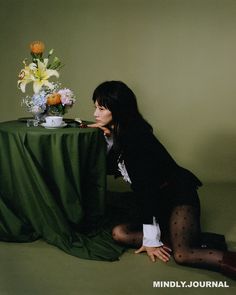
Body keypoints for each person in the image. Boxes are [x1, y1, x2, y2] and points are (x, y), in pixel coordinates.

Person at [88, 80, 236, 279]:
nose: (95, 114)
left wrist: (151, 240)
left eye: (101, 108)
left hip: (178, 196)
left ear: (118, 109)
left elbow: (147, 192)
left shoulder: (136, 138)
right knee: (119, 232)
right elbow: (110, 168)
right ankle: (177, 236)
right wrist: (108, 137)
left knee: (183, 255)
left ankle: (178, 240)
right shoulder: (121, 132)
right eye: (95, 107)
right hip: (157, 199)